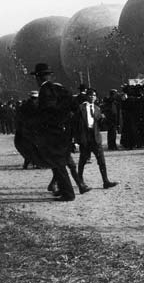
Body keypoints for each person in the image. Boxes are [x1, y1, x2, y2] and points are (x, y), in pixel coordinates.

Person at [31, 63, 77, 202]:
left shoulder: (45, 91)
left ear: (38, 78)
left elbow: (48, 112)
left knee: (57, 163)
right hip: (62, 131)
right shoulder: (58, 88)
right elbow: (72, 104)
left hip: (52, 132)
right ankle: (64, 190)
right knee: (58, 162)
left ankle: (68, 193)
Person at [74, 88, 118, 189]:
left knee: (101, 160)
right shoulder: (81, 108)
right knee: (82, 160)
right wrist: (77, 139)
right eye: (90, 95)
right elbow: (75, 124)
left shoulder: (97, 108)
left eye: (94, 95)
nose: (92, 97)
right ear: (86, 96)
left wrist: (103, 119)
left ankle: (105, 181)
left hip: (95, 137)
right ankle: (80, 180)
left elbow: (100, 125)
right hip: (85, 137)